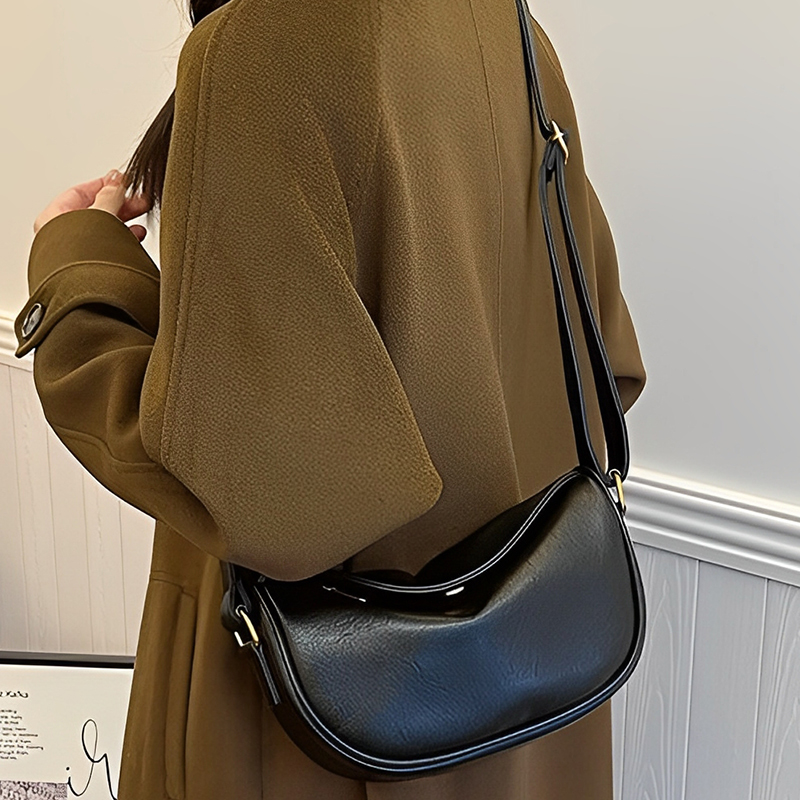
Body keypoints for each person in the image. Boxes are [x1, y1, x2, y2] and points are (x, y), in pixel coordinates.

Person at [15, 0, 646, 797]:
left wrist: (76, 262)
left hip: (323, 724)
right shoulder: (512, 31)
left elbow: (265, 500)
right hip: (533, 698)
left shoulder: (259, 47)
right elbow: (607, 366)